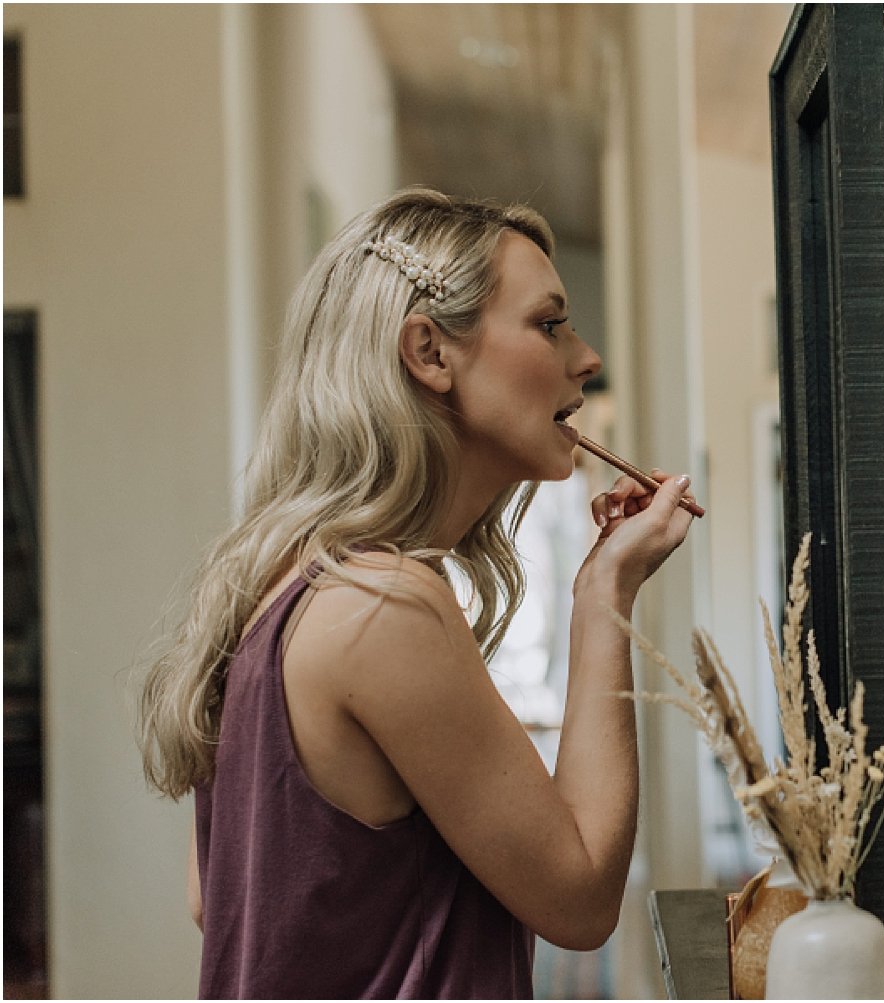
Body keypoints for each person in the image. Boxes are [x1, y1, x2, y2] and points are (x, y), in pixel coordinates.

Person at [136, 187, 695, 998]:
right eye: (549, 323)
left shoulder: (277, 579)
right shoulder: (384, 604)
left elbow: (214, 895)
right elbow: (580, 900)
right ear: (429, 352)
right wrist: (607, 592)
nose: (586, 356)